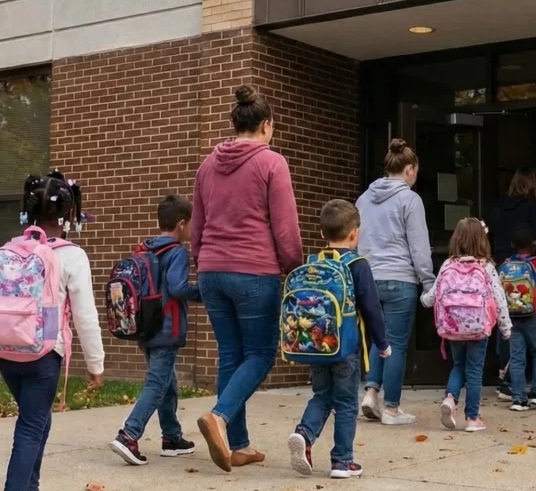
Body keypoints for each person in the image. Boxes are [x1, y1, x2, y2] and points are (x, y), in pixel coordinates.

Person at [0, 171, 106, 491]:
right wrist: (96, 364)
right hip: (44, 354)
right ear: (67, 214)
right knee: (32, 425)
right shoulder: (73, 256)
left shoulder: (8, 250)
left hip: (5, 352)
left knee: (36, 418)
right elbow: (85, 316)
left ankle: (30, 485)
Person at [193, 84, 303, 473]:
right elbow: (285, 226)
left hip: (211, 270)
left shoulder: (207, 165)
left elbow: (198, 225)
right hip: (254, 270)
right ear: (267, 125)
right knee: (259, 355)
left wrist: (202, 260)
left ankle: (237, 444)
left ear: (233, 122)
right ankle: (219, 417)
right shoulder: (271, 162)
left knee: (230, 355)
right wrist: (294, 266)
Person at [286, 200, 390, 480]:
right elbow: (372, 308)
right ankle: (342, 461)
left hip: (315, 346)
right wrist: (383, 343)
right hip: (345, 348)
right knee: (345, 403)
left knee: (322, 395)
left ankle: (304, 433)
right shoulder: (357, 265)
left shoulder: (313, 264)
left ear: (322, 234)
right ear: (355, 233)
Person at [111, 195, 201, 465]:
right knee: (157, 383)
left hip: (144, 328)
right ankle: (129, 434)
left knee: (167, 382)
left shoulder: (146, 250)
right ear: (182, 224)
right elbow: (177, 288)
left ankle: (172, 437)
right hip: (166, 328)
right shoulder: (177, 252)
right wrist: (203, 292)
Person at [355, 138, 434, 426]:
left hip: (369, 278)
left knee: (378, 338)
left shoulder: (363, 199)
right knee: (396, 344)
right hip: (400, 278)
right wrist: (428, 283)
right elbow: (419, 246)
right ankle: (391, 408)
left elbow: (357, 241)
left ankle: (370, 392)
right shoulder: (410, 200)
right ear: (410, 169)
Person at [425, 217, 512, 433]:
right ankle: (472, 418)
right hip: (478, 329)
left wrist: (423, 299)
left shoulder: (448, 264)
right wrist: (506, 328)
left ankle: (450, 397)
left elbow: (432, 296)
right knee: (474, 371)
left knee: (458, 365)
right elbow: (499, 300)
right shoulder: (487, 267)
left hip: (453, 328)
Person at [487, 168, 536, 400]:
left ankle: (505, 377)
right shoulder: (535, 211)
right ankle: (535, 385)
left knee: (506, 325)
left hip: (502, 272)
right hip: (529, 277)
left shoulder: (497, 210)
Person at [501, 228, 536, 412]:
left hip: (512, 316)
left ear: (512, 245)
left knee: (517, 357)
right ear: (534, 244)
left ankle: (518, 398)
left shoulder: (506, 264)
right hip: (534, 315)